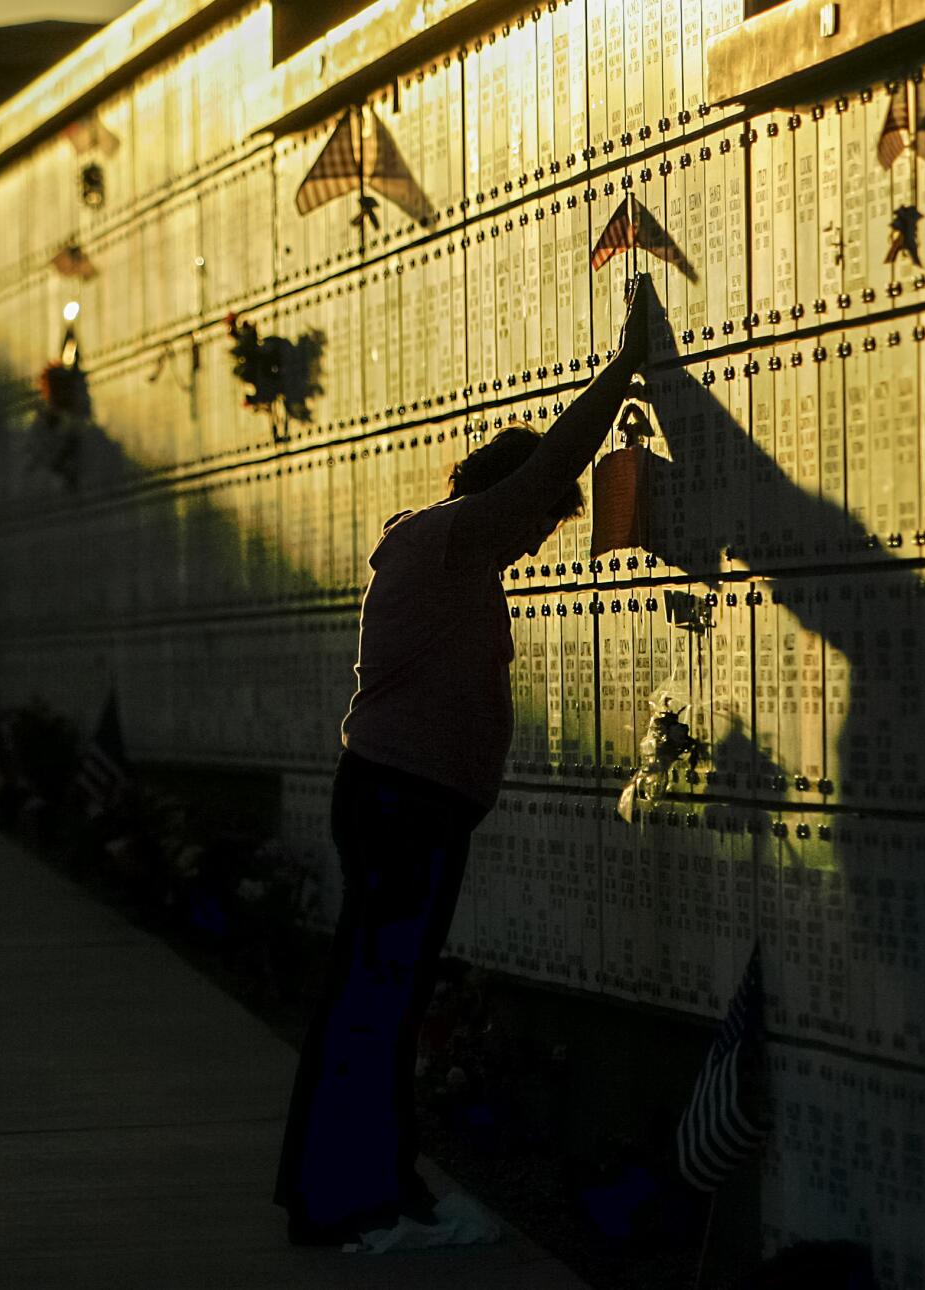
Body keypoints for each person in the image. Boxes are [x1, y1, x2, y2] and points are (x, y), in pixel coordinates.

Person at [273, 273, 659, 1247]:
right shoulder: (455, 537)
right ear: (502, 499)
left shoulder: (438, 548)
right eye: (535, 523)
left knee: (380, 998)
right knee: (375, 1001)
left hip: (399, 797)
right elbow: (548, 469)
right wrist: (620, 371)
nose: (536, 538)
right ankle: (346, 1206)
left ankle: (376, 1190)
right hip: (404, 803)